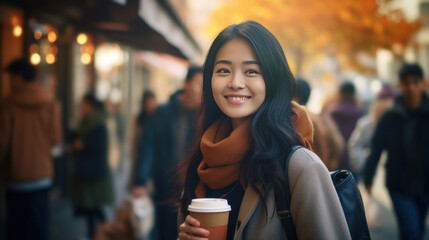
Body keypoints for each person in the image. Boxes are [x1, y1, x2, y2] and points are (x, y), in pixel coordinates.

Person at [178, 21, 350, 240]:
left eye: (251, 71)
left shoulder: (300, 167)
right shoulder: (204, 161)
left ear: (272, 81)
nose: (235, 82)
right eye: (223, 70)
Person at [132, 65, 204, 240]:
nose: (201, 90)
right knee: (163, 231)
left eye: (205, 85)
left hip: (193, 191)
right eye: (198, 83)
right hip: (164, 187)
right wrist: (141, 180)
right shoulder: (163, 112)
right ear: (186, 83)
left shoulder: (204, 116)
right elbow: (148, 147)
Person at [363, 63, 429, 240]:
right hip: (399, 184)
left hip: (425, 184)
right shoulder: (389, 117)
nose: (411, 87)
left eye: (415, 82)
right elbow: (376, 149)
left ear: (423, 83)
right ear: (400, 85)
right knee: (411, 231)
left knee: (419, 229)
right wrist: (368, 178)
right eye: (406, 83)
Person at [0, 59, 62, 240]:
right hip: (42, 175)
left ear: (18, 77)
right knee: (39, 227)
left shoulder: (8, 103)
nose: (10, 81)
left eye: (11, 77)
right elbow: (55, 139)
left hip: (16, 175)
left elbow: (2, 141)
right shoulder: (50, 101)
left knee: (15, 228)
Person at [71, 93, 114, 239]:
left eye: (83, 105)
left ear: (90, 105)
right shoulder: (87, 121)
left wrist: (83, 145)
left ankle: (104, 234)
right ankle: (98, 234)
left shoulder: (97, 122)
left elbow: (100, 145)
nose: (81, 108)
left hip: (94, 173)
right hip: (89, 172)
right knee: (91, 207)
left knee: (94, 207)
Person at [294, 78, 344, 170]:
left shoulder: (292, 119)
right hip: (320, 170)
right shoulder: (320, 119)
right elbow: (337, 144)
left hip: (303, 174)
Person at [348, 83, 395, 181]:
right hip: (372, 174)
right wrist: (364, 165)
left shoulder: (399, 124)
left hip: (394, 175)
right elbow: (355, 145)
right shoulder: (365, 125)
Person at [324, 81, 365, 171]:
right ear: (354, 94)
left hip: (336, 158)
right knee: (353, 183)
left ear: (340, 93)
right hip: (354, 158)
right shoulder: (360, 112)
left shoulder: (331, 112)